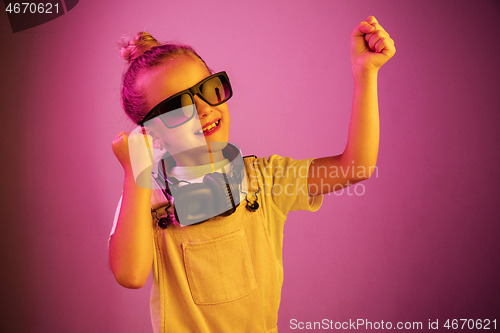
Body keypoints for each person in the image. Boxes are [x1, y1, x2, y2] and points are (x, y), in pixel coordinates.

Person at [109, 16, 395, 333]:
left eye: (206, 90)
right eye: (178, 108)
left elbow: (356, 167)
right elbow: (131, 275)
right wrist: (136, 172)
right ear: (151, 134)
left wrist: (364, 75)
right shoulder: (147, 198)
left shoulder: (265, 179)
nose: (203, 110)